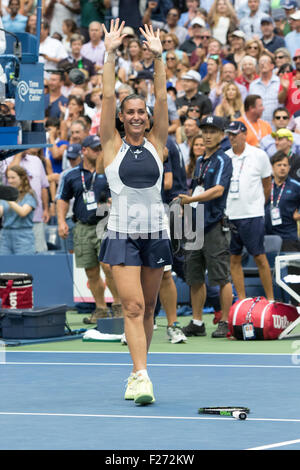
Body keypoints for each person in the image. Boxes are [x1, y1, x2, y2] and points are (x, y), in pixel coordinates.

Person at [99, 20, 173, 405]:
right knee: (133, 305)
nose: (137, 115)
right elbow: (107, 97)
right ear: (122, 117)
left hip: (156, 232)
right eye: (130, 112)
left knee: (148, 310)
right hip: (122, 234)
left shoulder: (159, 141)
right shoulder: (111, 145)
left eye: (140, 111)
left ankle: (135, 371)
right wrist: (109, 54)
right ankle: (143, 377)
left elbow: (162, 101)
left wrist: (159, 59)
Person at [57, 134, 122, 323]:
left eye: (100, 148)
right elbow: (62, 199)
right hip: (82, 225)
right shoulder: (70, 175)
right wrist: (61, 221)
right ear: (83, 151)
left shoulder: (109, 172)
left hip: (105, 224)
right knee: (91, 271)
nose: (99, 152)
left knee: (109, 267)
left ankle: (118, 305)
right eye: (95, 149)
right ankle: (100, 308)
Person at [178, 115, 233, 339]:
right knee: (194, 277)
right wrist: (186, 207)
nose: (208, 135)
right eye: (205, 131)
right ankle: (197, 321)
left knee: (221, 277)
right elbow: (197, 189)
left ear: (221, 135)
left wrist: (190, 201)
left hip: (213, 226)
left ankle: (226, 321)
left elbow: (219, 190)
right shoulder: (200, 161)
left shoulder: (222, 160)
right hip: (195, 225)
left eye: (213, 131)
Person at [224, 120, 274, 301]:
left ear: (244, 134)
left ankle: (270, 299)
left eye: (235, 134)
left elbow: (267, 185)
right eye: (229, 134)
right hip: (230, 214)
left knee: (260, 256)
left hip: (252, 214)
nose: (231, 137)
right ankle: (242, 300)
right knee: (234, 259)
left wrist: (258, 205)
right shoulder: (225, 156)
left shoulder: (259, 155)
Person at [265, 150, 300, 252]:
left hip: (288, 237)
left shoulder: (295, 186)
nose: (282, 168)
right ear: (272, 167)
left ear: (289, 168)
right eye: (279, 165)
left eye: (285, 165)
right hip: (266, 235)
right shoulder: (265, 185)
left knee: (289, 267)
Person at [0, 166, 37, 255]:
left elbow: (23, 212)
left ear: (22, 178)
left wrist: (9, 199)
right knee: (5, 267)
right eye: (8, 178)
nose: (10, 181)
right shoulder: (5, 194)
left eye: (13, 178)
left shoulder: (29, 194)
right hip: (5, 235)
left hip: (23, 235)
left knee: (23, 267)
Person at [249, 54, 280, 125]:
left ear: (272, 66)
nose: (263, 64)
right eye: (260, 62)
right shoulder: (253, 85)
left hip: (277, 124)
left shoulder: (279, 82)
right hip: (258, 124)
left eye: (265, 61)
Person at [278, 48, 300, 117]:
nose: (298, 61)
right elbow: (280, 101)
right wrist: (284, 90)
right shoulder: (287, 77)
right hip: (291, 120)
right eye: (295, 59)